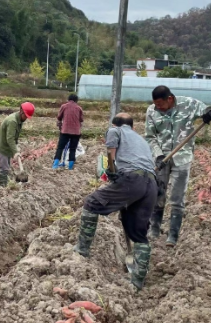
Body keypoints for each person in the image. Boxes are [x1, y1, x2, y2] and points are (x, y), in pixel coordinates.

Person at [74, 113, 157, 290]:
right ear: (133, 127)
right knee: (138, 232)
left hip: (132, 179)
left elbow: (110, 154)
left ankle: (82, 250)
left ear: (115, 124)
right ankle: (137, 281)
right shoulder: (141, 140)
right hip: (151, 184)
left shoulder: (115, 131)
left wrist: (112, 171)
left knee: (92, 203)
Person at [145, 85, 211, 247]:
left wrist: (210, 113)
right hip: (161, 158)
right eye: (156, 105)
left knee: (177, 198)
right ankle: (154, 229)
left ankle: (173, 235)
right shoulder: (151, 111)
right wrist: (158, 155)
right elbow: (150, 137)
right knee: (158, 194)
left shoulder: (189, 104)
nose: (158, 108)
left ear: (169, 99)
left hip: (182, 158)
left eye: (160, 105)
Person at [0, 102, 35, 186]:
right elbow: (10, 138)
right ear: (21, 112)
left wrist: (16, 147)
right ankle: (3, 187)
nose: (26, 118)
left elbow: (14, 136)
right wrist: (15, 151)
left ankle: (7, 183)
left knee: (7, 166)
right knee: (4, 168)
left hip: (7, 146)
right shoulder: (13, 121)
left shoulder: (19, 119)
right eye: (25, 116)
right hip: (2, 146)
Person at [52, 94, 84, 170]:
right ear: (76, 101)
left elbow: (59, 117)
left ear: (68, 99)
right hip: (76, 132)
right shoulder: (79, 108)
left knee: (60, 148)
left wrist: (60, 125)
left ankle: (55, 165)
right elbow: (81, 120)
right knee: (73, 149)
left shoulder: (64, 106)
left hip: (65, 131)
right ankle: (70, 167)